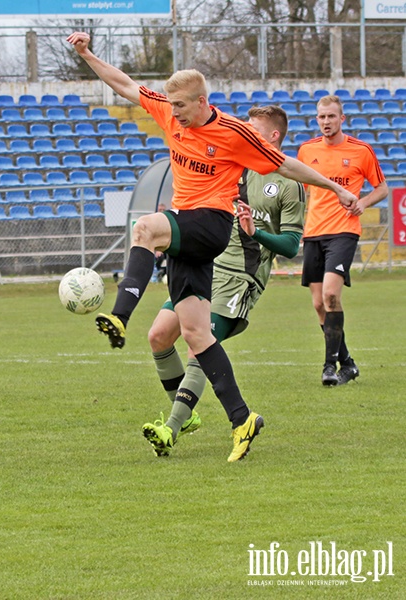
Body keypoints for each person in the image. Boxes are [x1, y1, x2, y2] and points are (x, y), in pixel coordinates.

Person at [67, 31, 356, 461]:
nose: (175, 113)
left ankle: (120, 315)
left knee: (145, 228)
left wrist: (335, 187)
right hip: (191, 236)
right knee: (191, 334)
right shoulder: (169, 112)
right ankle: (242, 419)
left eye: (182, 106)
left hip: (211, 223)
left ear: (202, 101)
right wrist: (88, 54)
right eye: (173, 106)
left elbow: (288, 165)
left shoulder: (235, 133)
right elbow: (125, 85)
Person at [142, 105, 306, 457]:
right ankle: (186, 415)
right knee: (158, 336)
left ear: (273, 136)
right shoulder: (233, 166)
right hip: (206, 267)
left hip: (241, 278)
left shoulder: (288, 184)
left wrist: (256, 232)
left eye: (253, 128)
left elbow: (292, 246)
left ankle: (170, 428)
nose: (243, 131)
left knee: (198, 343)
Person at [297, 95, 388, 386]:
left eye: (331, 117)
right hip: (313, 232)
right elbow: (298, 187)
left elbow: (382, 188)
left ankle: (329, 367)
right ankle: (347, 362)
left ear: (342, 119)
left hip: (344, 230)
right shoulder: (306, 150)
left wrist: (364, 202)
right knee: (318, 304)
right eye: (322, 117)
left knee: (331, 296)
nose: (326, 122)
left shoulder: (361, 151)